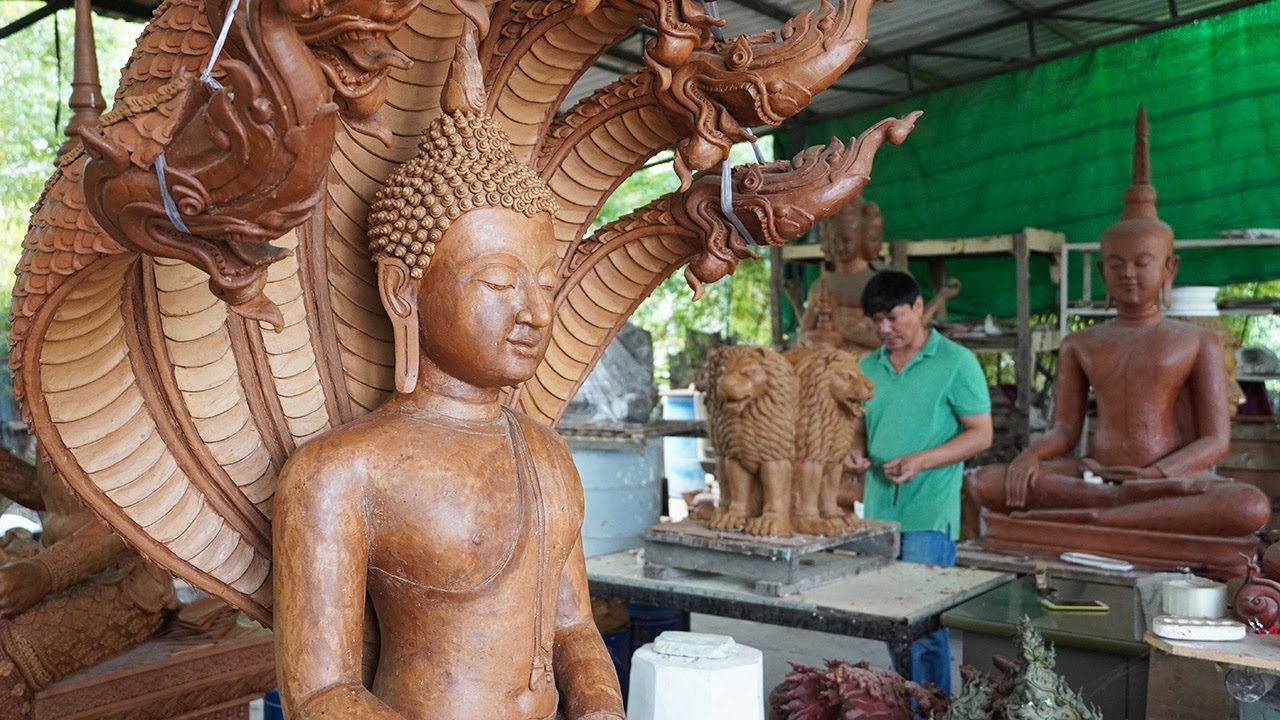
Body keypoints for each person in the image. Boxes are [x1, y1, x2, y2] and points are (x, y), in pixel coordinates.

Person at [271, 31, 624, 720]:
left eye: (545, 284)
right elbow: (319, 691)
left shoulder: (549, 456)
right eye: (497, 281)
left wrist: (603, 707)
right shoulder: (341, 472)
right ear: (404, 292)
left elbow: (575, 628)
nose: (535, 312)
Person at [966, 108, 1269, 574]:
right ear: (1103, 269)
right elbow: (1066, 430)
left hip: (1167, 483)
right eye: (1116, 264)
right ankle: (1107, 513)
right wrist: (1033, 454)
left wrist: (1156, 476)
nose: (1128, 273)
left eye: (1142, 262)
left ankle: (1091, 521)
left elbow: (1214, 440)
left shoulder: (1196, 341)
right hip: (1095, 476)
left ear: (1170, 268)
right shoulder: (1081, 343)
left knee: (1248, 506)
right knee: (987, 482)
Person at [850, 270, 992, 693]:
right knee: (890, 623)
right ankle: (907, 703)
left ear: (917, 307)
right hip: (877, 513)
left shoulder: (956, 362)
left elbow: (981, 434)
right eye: (875, 321)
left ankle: (933, 707)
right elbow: (857, 426)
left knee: (924, 626)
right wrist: (853, 452)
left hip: (929, 514)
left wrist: (922, 461)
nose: (884, 329)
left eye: (893, 317)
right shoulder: (866, 366)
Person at [0, 449, 173, 719]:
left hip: (123, 583)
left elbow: (149, 511)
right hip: (43, 555)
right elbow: (55, 495)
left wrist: (44, 573)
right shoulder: (50, 406)